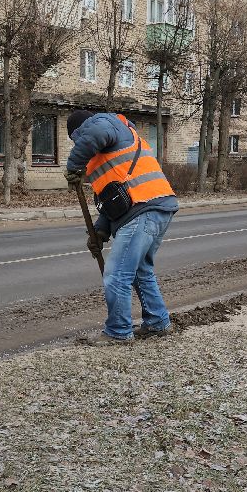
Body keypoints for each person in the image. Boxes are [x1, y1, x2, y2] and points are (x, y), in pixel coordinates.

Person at [65, 109, 178, 345]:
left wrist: (74, 164)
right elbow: (113, 200)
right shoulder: (114, 146)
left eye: (76, 140)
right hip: (156, 207)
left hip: (144, 208)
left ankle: (118, 331)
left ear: (79, 132)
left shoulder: (104, 123)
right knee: (140, 272)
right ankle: (158, 322)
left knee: (116, 275)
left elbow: (96, 132)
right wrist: (101, 231)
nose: (78, 144)